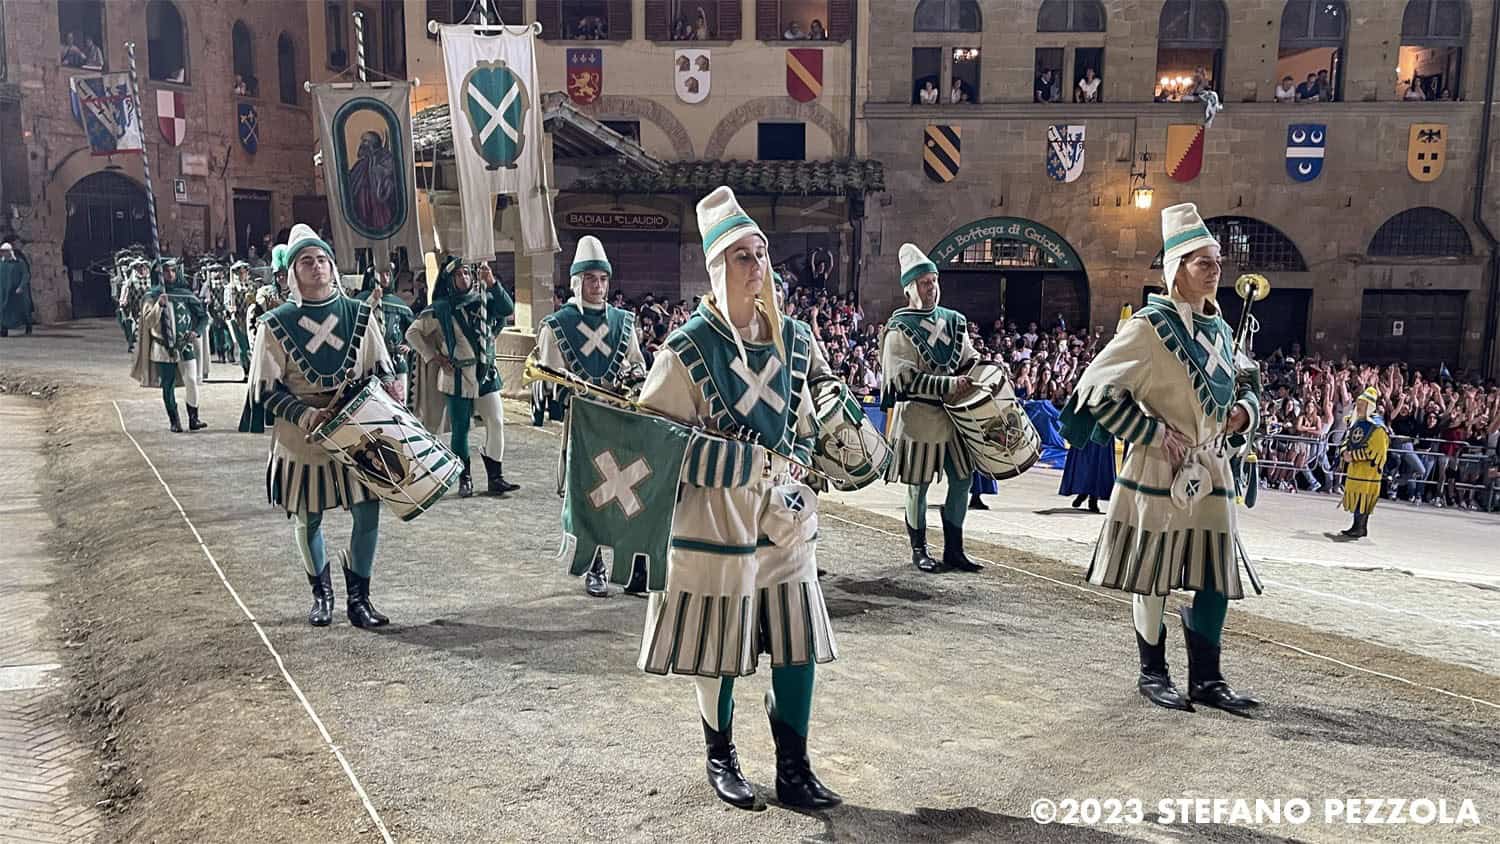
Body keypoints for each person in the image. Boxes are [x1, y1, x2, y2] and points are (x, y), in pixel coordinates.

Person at [635, 186, 840, 811]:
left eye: (761, 254)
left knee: (797, 640)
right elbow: (654, 442)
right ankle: (720, 756)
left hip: (782, 518)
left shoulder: (795, 340)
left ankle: (794, 767)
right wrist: (730, 459)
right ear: (716, 267)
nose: (757, 267)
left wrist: (808, 457)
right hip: (714, 520)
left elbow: (807, 420)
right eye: (742, 257)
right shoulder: (685, 349)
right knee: (717, 644)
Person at [1060, 203, 1262, 716]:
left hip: (1212, 467)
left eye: (1217, 261)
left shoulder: (1221, 329)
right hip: (1158, 467)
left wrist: (1245, 412)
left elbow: (1244, 384)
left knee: (1215, 573)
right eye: (1203, 262)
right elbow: (1096, 389)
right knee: (1153, 570)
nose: (1215, 270)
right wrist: (1150, 431)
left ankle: (1208, 678)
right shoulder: (1149, 327)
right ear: (1177, 268)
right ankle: (1153, 672)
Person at [240, 224, 398, 628]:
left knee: (368, 511)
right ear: (293, 271)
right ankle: (322, 595)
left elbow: (380, 368)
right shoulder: (275, 323)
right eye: (307, 261)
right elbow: (265, 389)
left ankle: (359, 600)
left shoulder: (359, 315)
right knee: (308, 516)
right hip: (302, 436)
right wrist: (306, 414)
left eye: (323, 259)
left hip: (357, 429)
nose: (317, 266)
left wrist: (388, 388)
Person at [537, 236, 648, 598]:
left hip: (620, 417)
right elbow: (549, 379)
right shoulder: (557, 324)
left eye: (602, 279)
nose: (598, 286)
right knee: (591, 494)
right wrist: (570, 391)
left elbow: (637, 364)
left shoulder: (623, 322)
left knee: (630, 491)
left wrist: (632, 381)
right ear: (577, 282)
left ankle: (633, 568)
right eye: (590, 279)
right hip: (584, 422)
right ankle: (594, 566)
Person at [880, 243, 983, 574]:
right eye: (925, 283)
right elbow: (902, 378)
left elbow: (968, 357)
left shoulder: (953, 321)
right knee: (918, 484)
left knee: (963, 479)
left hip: (955, 417)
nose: (932, 288)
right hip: (919, 417)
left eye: (935, 281)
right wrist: (948, 384)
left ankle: (954, 549)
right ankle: (919, 550)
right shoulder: (899, 327)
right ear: (910, 288)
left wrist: (978, 371)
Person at [406, 257, 518, 498]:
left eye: (467, 273)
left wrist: (492, 282)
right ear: (450, 280)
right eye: (458, 274)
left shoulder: (484, 299)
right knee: (460, 428)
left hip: (485, 373)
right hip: (456, 375)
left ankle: (495, 477)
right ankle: (464, 478)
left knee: (496, 421)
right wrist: (434, 356)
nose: (464, 278)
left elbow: (507, 310)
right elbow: (412, 333)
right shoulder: (440, 308)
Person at [130, 257, 208, 432]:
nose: (170, 274)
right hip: (162, 347)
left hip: (185, 345)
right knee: (168, 384)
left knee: (192, 380)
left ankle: (194, 418)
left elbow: (203, 317)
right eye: (165, 271)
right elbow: (148, 322)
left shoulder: (185, 294)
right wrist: (159, 304)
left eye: (173, 270)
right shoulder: (151, 296)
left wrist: (196, 332)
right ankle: (174, 420)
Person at [356, 263, 416, 403]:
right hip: (370, 360)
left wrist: (409, 345)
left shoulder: (399, 303)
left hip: (397, 359)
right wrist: (372, 300)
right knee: (371, 401)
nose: (385, 278)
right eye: (380, 274)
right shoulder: (361, 300)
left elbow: (413, 329)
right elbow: (356, 321)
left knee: (400, 401)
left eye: (388, 274)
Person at [1335, 387, 1389, 540]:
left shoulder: (1377, 427)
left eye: (1362, 404)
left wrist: (1353, 456)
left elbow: (1376, 451)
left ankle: (1360, 527)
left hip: (1368, 472)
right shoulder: (1357, 422)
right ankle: (1357, 526)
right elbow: (1347, 439)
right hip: (1355, 470)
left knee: (1363, 499)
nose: (1358, 407)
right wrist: (1344, 452)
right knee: (1357, 499)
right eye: (1358, 403)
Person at [0, 242, 35, 337]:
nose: (3, 253)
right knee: (3, 310)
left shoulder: (19, 263)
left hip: (17, 292)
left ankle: (28, 326)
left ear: (9, 252)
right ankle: (3, 329)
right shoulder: (1, 263)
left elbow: (26, 275)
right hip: (4, 291)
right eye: (2, 251)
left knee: (23, 310)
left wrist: (21, 286)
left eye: (5, 251)